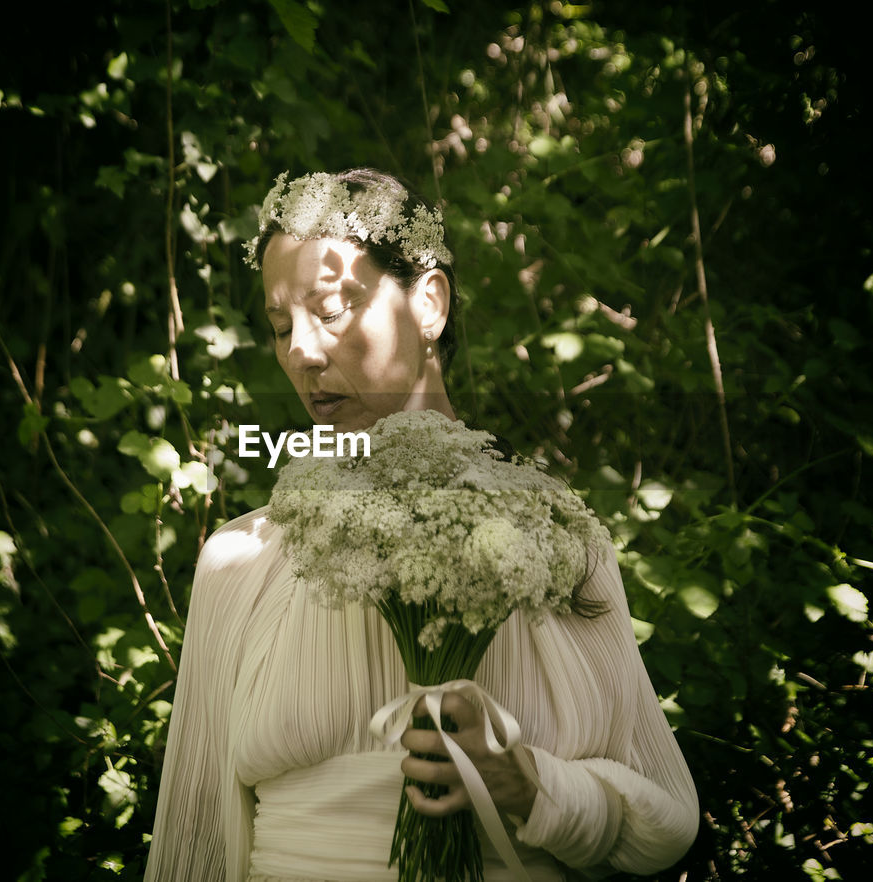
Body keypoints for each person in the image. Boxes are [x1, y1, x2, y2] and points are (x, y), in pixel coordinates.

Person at [144, 169, 699, 882]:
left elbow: (669, 823)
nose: (300, 352)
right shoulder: (242, 561)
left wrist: (533, 789)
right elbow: (195, 849)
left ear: (429, 302)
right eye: (282, 326)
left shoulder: (560, 541)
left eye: (333, 309)